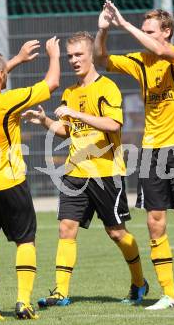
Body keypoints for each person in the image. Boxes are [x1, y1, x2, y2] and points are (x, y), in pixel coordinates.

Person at [22, 31, 149, 308]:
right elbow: (66, 130)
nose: (73, 60)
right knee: (66, 229)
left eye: (79, 54)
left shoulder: (107, 88)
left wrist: (76, 114)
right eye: (69, 56)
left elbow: (114, 125)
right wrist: (44, 120)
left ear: (91, 55)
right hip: (75, 173)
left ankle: (139, 282)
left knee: (116, 233)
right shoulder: (70, 92)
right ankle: (61, 292)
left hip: (105, 173)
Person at [95, 1, 174, 309]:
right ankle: (169, 294)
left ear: (167, 31)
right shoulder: (139, 60)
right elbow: (100, 59)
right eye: (142, 30)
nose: (143, 35)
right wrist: (103, 29)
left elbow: (163, 53)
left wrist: (125, 24)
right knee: (155, 223)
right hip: (152, 150)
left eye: (149, 31)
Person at [0, 37, 60, 320]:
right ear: (1, 74)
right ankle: (23, 302)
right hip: (10, 182)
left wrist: (15, 59)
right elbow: (51, 83)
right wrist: (53, 55)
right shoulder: (8, 101)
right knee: (25, 241)